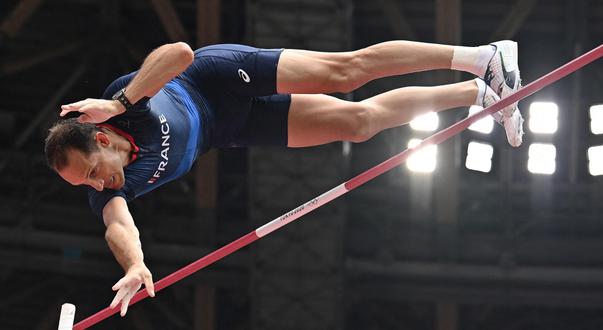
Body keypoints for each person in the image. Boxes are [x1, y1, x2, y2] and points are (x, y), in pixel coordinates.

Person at [45, 40, 523, 316]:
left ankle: (481, 57)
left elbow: (180, 53)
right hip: (229, 128)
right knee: (358, 124)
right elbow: (118, 226)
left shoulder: (125, 103)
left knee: (346, 72)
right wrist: (135, 266)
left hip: (216, 78)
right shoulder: (116, 188)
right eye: (83, 186)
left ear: (103, 139)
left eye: (90, 172)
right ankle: (479, 93)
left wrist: (122, 102)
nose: (96, 185)